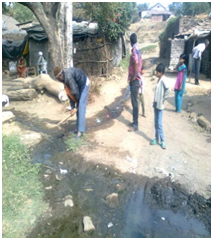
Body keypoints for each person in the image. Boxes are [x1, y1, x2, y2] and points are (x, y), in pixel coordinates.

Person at [53, 66, 90, 139]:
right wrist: (73, 107)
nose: (58, 80)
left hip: (84, 84)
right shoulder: (63, 79)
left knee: (81, 107)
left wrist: (77, 105)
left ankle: (80, 132)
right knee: (77, 108)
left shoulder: (68, 77)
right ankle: (77, 129)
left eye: (57, 78)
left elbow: (75, 92)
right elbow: (70, 94)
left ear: (60, 75)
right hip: (78, 86)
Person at [150, 63, 170, 149]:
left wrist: (163, 98)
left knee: (159, 123)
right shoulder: (159, 80)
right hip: (156, 104)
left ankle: (162, 141)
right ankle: (156, 138)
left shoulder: (163, 80)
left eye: (157, 72)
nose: (156, 73)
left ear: (161, 72)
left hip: (160, 105)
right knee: (156, 123)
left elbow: (168, 89)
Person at [127, 33, 143, 132]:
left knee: (134, 102)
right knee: (134, 101)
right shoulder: (138, 48)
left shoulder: (134, 49)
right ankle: (134, 121)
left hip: (135, 79)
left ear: (130, 41)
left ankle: (135, 124)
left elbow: (136, 62)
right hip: (137, 78)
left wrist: (133, 76)